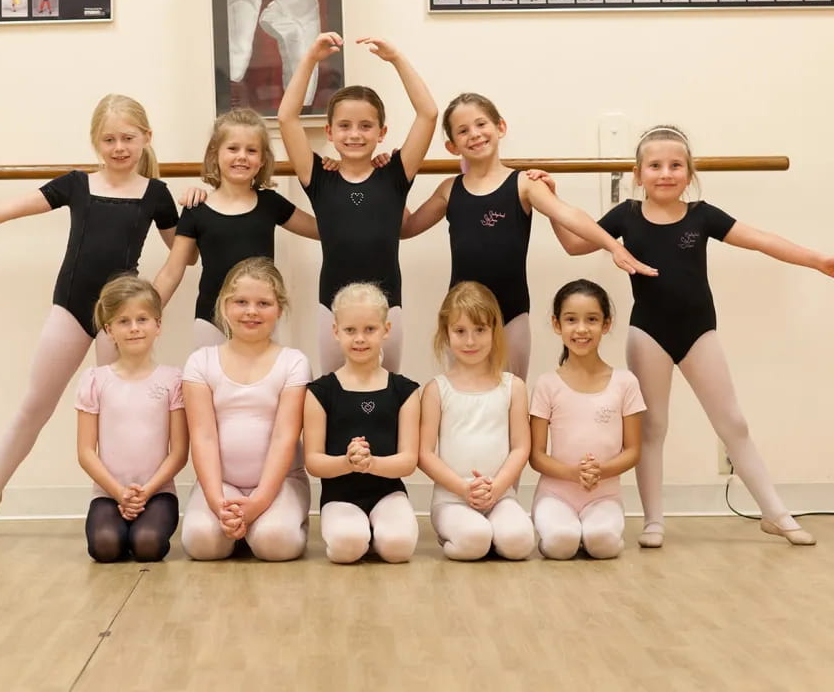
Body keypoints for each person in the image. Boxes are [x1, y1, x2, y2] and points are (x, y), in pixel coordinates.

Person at [0, 94, 178, 538]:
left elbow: (182, 253)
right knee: (35, 406)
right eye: (108, 139)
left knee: (119, 415)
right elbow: (4, 210)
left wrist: (149, 305)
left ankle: (115, 503)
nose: (119, 147)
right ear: (95, 143)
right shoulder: (76, 185)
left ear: (146, 138)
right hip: (71, 309)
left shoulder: (155, 194)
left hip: (120, 318)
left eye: (128, 138)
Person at [552, 125, 833, 547]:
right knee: (652, 428)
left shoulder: (702, 215)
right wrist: (550, 201)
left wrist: (816, 260)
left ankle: (776, 514)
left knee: (733, 422)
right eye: (655, 165)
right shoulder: (625, 216)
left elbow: (760, 240)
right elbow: (575, 244)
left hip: (699, 332)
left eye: (676, 165)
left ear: (690, 171)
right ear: (637, 173)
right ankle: (653, 521)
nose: (666, 173)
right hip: (648, 334)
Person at [401, 92, 656, 379]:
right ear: (452, 145)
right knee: (463, 398)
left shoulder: (524, 184)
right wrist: (391, 183)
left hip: (512, 314)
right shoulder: (449, 190)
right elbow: (406, 228)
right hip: (462, 318)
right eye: (463, 130)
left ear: (500, 127)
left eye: (481, 124)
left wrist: (614, 247)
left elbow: (568, 214)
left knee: (512, 397)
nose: (474, 134)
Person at [278, 32, 438, 373]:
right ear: (330, 132)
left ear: (381, 133)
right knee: (334, 389)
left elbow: (427, 114)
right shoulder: (319, 177)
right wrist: (309, 60)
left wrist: (397, 59)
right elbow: (287, 118)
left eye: (366, 126)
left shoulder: (394, 175)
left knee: (388, 389)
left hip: (388, 306)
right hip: (331, 306)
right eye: (345, 126)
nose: (355, 134)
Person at [180, 258, 312, 561]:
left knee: (274, 544)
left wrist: (260, 501)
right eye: (241, 302)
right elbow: (203, 437)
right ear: (225, 307)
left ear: (279, 309)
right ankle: (234, 522)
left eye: (263, 303)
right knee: (202, 544)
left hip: (280, 483)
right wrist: (216, 501)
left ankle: (275, 522)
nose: (251, 311)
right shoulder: (201, 362)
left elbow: (284, 437)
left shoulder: (293, 363)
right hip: (221, 484)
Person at [153, 108, 318, 350]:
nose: (242, 156)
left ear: (262, 160)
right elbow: (171, 272)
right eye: (233, 148)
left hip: (261, 319)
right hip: (211, 321)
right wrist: (145, 314)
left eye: (251, 150)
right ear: (215, 153)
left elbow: (324, 230)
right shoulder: (196, 209)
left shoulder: (271, 203)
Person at [304, 283, 421, 563]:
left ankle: (379, 530)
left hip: (388, 494)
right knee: (348, 547)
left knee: (398, 548)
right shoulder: (320, 392)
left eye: (370, 329)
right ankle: (360, 532)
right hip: (339, 496)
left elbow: (408, 461)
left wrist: (372, 464)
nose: (360, 338)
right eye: (350, 330)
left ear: (386, 330)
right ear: (335, 331)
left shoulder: (405, 391)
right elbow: (313, 461)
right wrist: (348, 462)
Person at [419, 282, 534, 561]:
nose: (470, 341)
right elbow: (423, 453)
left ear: (495, 331)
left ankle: (493, 532)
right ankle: (460, 534)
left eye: (480, 330)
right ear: (446, 334)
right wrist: (463, 488)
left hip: (500, 496)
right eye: (460, 331)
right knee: (474, 541)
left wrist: (496, 488)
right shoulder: (437, 389)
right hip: (452, 499)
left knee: (520, 543)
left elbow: (521, 447)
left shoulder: (513, 386)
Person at [530, 280, 645, 560]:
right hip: (556, 495)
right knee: (561, 544)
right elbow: (536, 455)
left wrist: (601, 471)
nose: (581, 329)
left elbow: (633, 451)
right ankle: (563, 532)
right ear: (557, 325)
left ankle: (594, 532)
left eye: (591, 320)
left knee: (602, 544)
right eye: (571, 320)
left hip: (603, 496)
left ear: (606, 324)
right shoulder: (547, 384)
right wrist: (574, 474)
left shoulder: (625, 382)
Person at [76, 276, 187, 562]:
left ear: (158, 325)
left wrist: (146, 491)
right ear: (109, 329)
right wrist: (119, 493)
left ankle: (140, 525)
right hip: (108, 492)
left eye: (142, 319)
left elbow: (179, 452)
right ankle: (119, 524)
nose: (134, 328)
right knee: (105, 546)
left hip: (158, 492)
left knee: (147, 545)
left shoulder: (172, 379)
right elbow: (86, 452)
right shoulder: (95, 380)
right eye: (123, 321)